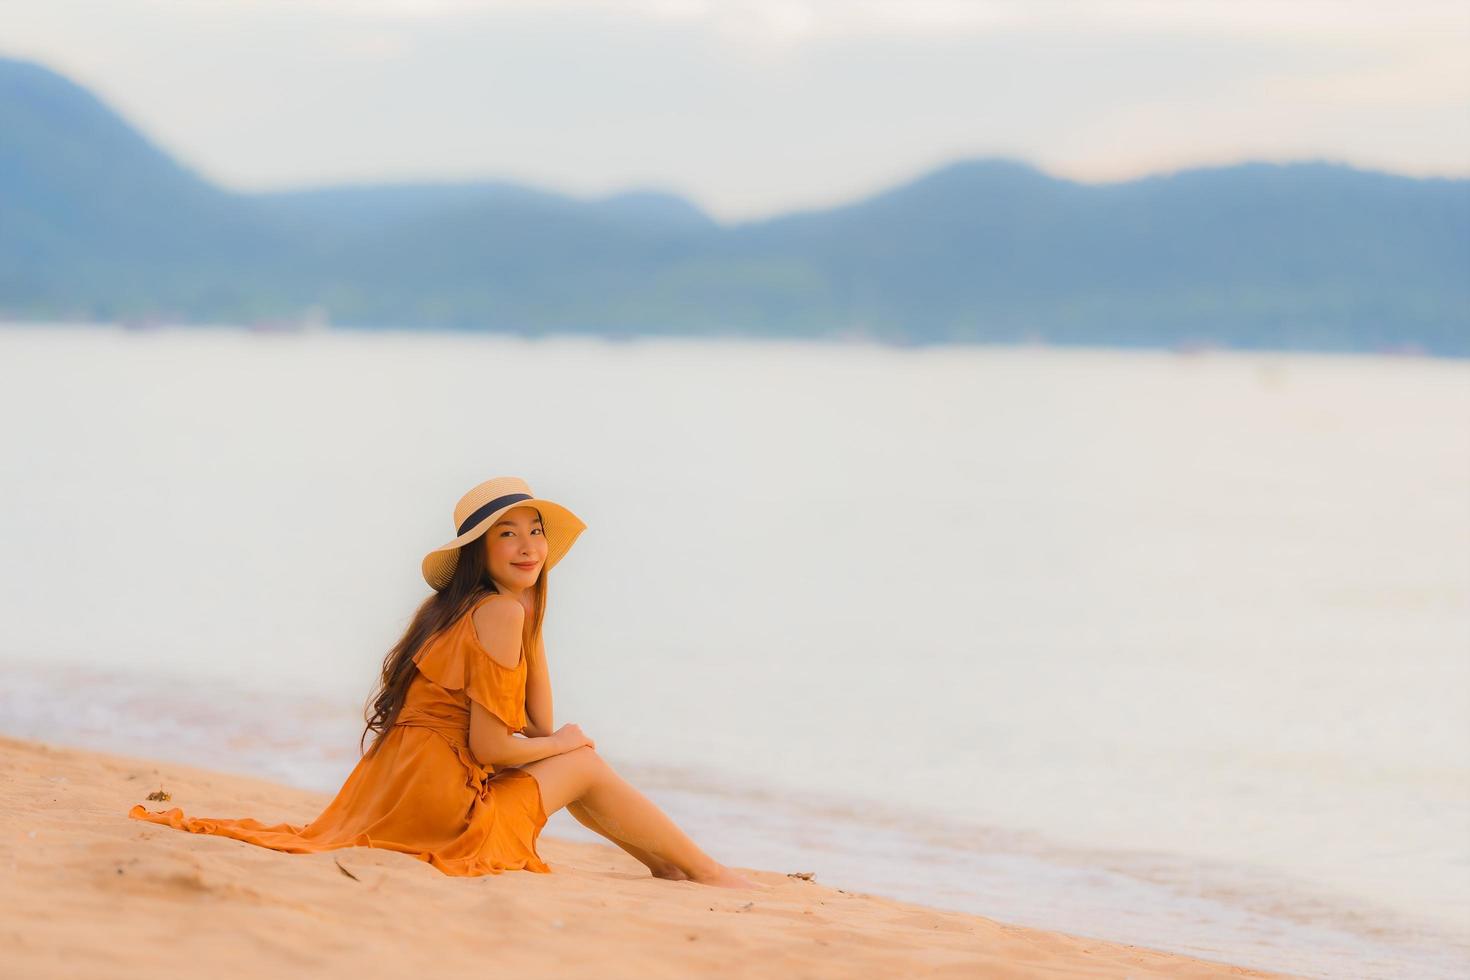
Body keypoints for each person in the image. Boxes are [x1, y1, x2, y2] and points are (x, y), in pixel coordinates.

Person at [129, 476, 759, 889]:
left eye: (534, 531)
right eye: (505, 534)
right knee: (585, 762)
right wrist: (566, 743)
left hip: (401, 792)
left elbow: (535, 723)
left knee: (574, 753)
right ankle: (702, 870)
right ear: (477, 551)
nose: (526, 546)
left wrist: (536, 625)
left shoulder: (485, 610)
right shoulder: (498, 611)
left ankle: (672, 866)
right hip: (442, 807)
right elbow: (499, 747)